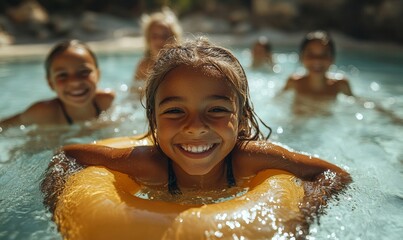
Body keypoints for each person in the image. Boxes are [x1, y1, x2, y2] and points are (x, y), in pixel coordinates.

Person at [53, 38, 350, 198]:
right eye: (174, 110)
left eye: (217, 109)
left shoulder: (248, 160)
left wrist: (306, 208)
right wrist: (59, 205)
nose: (195, 126)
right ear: (153, 121)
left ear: (243, 118)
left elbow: (336, 175)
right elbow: (67, 155)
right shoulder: (148, 164)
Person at [0, 39, 115, 128]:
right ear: (51, 83)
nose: (74, 82)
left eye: (84, 72)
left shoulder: (106, 101)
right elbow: (4, 126)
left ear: (98, 75)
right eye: (62, 75)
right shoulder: (43, 112)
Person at [283, 30, 353, 98]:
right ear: (301, 58)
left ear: (333, 59)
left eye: (324, 54)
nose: (317, 60)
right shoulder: (294, 82)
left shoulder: (340, 84)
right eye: (311, 54)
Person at [132, 7, 182, 88]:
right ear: (148, 39)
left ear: (174, 39)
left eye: (165, 36)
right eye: (155, 36)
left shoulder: (178, 65)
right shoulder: (144, 66)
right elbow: (133, 94)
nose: (160, 40)